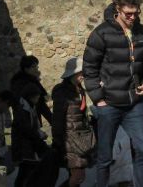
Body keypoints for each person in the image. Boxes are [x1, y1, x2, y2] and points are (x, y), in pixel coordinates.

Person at [82, 0, 143, 187]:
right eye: (128, 13)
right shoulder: (101, 33)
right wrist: (98, 99)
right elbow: (89, 68)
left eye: (136, 13)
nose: (132, 17)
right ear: (117, 9)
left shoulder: (142, 32)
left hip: (134, 103)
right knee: (105, 156)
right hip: (109, 104)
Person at [51, 58, 95, 187]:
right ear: (73, 74)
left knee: (77, 177)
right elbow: (58, 118)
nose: (84, 75)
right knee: (78, 177)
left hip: (79, 140)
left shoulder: (79, 89)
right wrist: (58, 141)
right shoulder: (62, 92)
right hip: (68, 140)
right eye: (81, 72)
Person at [11, 84, 54, 186]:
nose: (38, 99)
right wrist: (39, 135)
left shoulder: (30, 107)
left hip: (28, 145)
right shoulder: (22, 109)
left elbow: (33, 126)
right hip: (23, 146)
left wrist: (39, 133)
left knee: (26, 172)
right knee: (25, 173)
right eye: (37, 97)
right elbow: (26, 129)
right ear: (31, 97)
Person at [9, 55, 52, 125]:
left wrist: (52, 120)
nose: (36, 69)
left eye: (36, 66)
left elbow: (41, 102)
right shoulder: (19, 83)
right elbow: (18, 102)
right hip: (25, 119)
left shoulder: (33, 80)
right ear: (26, 68)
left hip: (34, 118)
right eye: (33, 67)